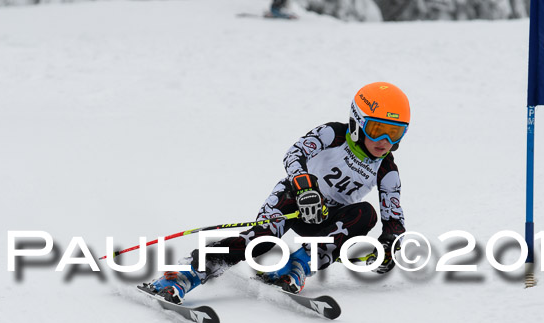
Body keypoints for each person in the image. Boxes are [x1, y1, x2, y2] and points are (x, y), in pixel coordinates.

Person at [147, 82, 410, 303]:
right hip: (295, 200)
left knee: (366, 214)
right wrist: (306, 188)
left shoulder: (386, 168)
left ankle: (297, 265)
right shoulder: (334, 134)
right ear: (357, 122)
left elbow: (394, 217)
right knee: (259, 241)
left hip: (326, 218)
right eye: (377, 130)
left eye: (395, 133)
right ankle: (186, 274)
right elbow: (294, 153)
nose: (385, 142)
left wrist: (390, 244)